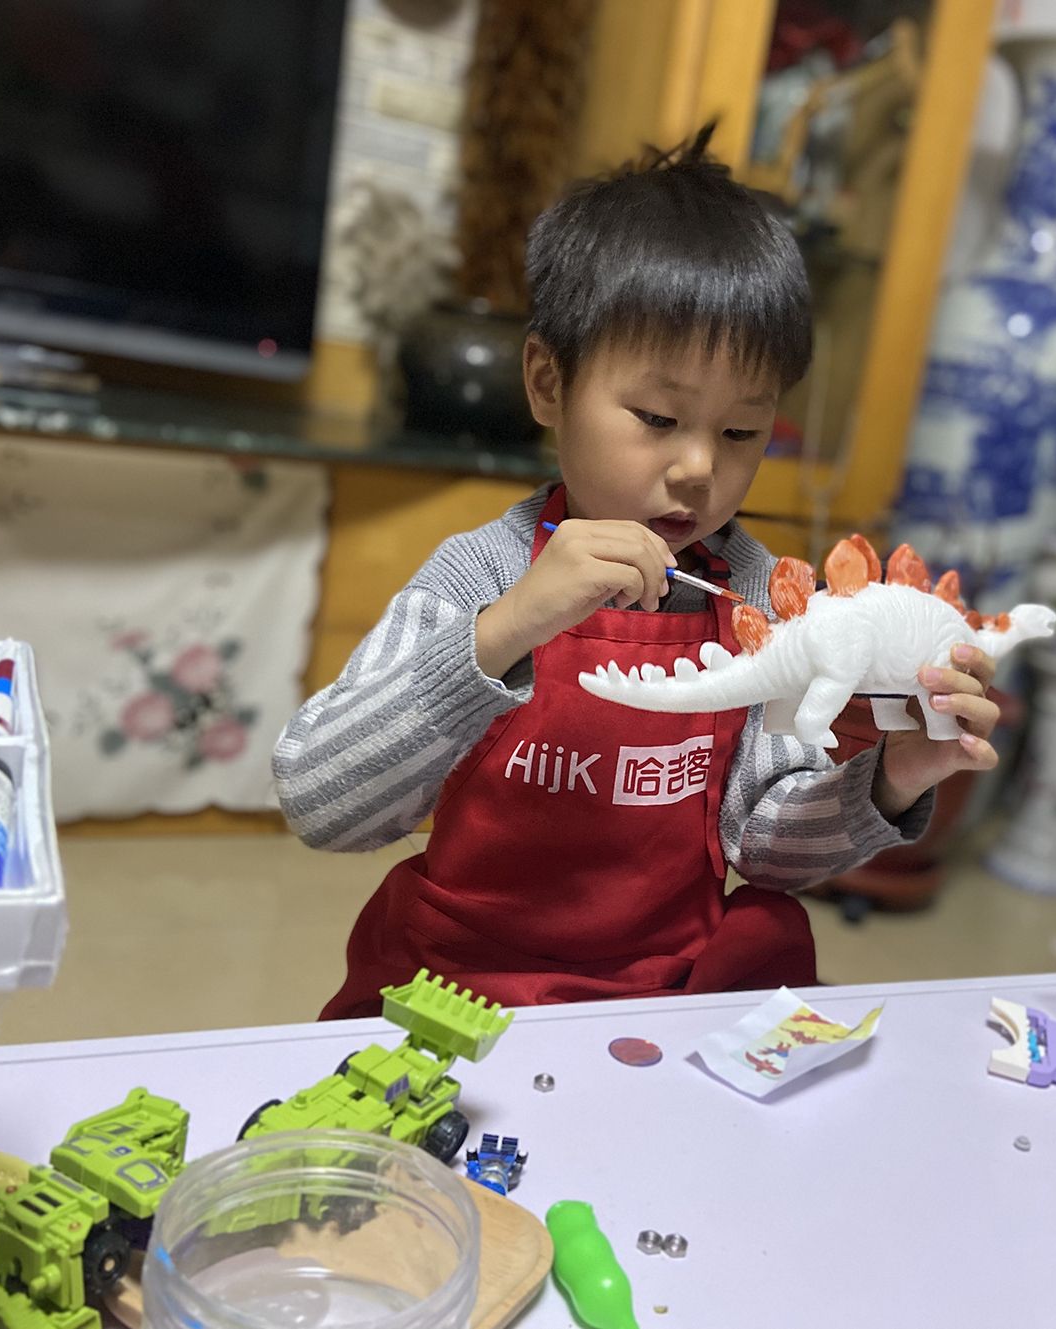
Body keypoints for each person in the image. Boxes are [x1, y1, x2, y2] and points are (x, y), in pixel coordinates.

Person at [275, 129, 1000, 1018]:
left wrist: (892, 776)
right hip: (460, 981)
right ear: (548, 382)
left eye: (742, 432)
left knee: (773, 945)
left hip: (660, 992)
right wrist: (505, 629)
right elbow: (320, 801)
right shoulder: (479, 573)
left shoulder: (754, 593)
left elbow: (764, 848)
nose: (699, 468)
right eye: (658, 417)